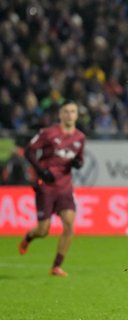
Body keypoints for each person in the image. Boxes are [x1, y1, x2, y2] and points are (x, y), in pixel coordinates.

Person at [19, 100, 85, 277]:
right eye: (66, 111)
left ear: (77, 115)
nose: (70, 115)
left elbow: (79, 159)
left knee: (70, 226)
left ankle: (56, 266)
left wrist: (78, 163)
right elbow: (28, 151)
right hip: (46, 187)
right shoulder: (48, 133)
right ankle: (29, 237)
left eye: (73, 111)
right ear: (60, 115)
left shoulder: (80, 138)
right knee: (43, 230)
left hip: (65, 187)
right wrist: (41, 172)